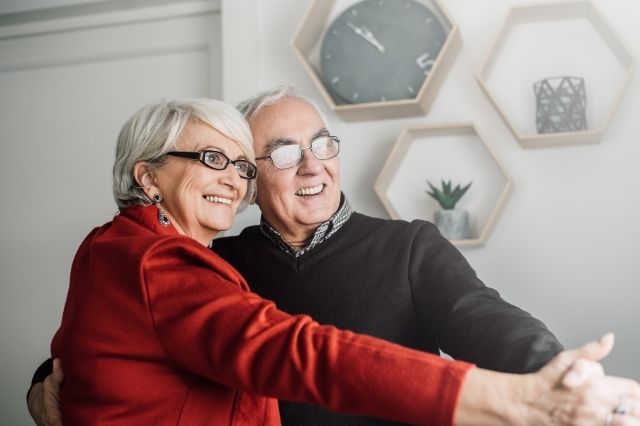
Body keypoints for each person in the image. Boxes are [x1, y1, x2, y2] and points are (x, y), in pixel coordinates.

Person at [28, 95, 640, 425]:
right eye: (282, 152)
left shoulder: (409, 245)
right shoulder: (213, 260)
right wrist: (43, 388)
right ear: (253, 183)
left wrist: (553, 373)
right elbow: (112, 349)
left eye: (322, 143)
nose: (313, 164)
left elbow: (483, 316)